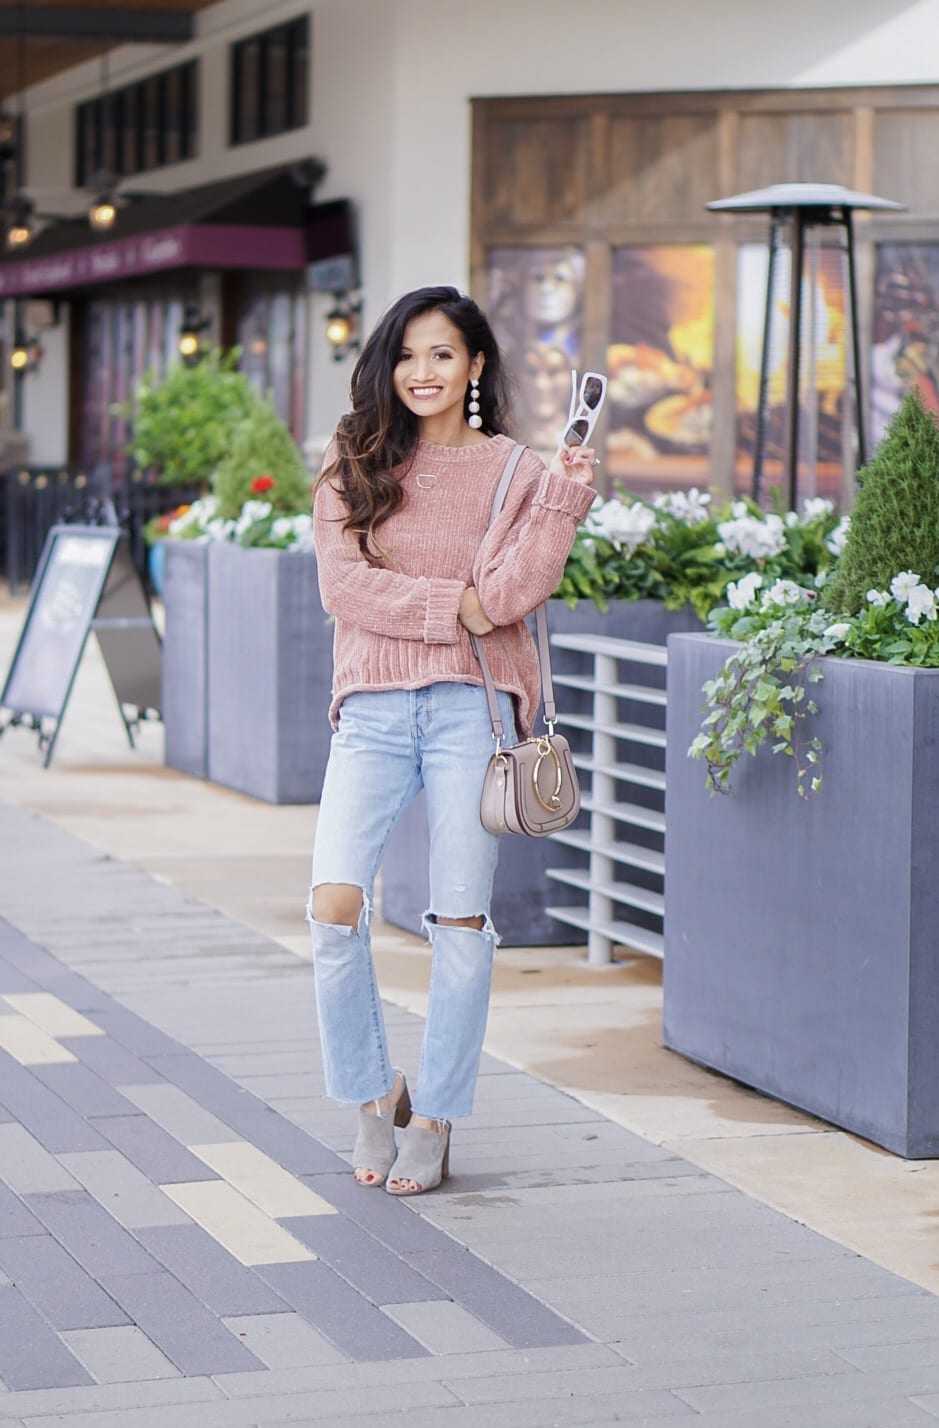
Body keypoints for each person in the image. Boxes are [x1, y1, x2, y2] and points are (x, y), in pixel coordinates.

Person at [308, 285, 596, 1195]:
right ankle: (371, 1095)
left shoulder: (515, 472)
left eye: (441, 355)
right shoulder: (353, 455)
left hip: (474, 709)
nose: (421, 373)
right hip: (372, 710)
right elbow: (343, 588)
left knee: (460, 923)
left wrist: (560, 503)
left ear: (474, 365)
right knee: (331, 907)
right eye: (406, 355)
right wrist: (453, 606)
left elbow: (515, 592)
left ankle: (433, 1114)